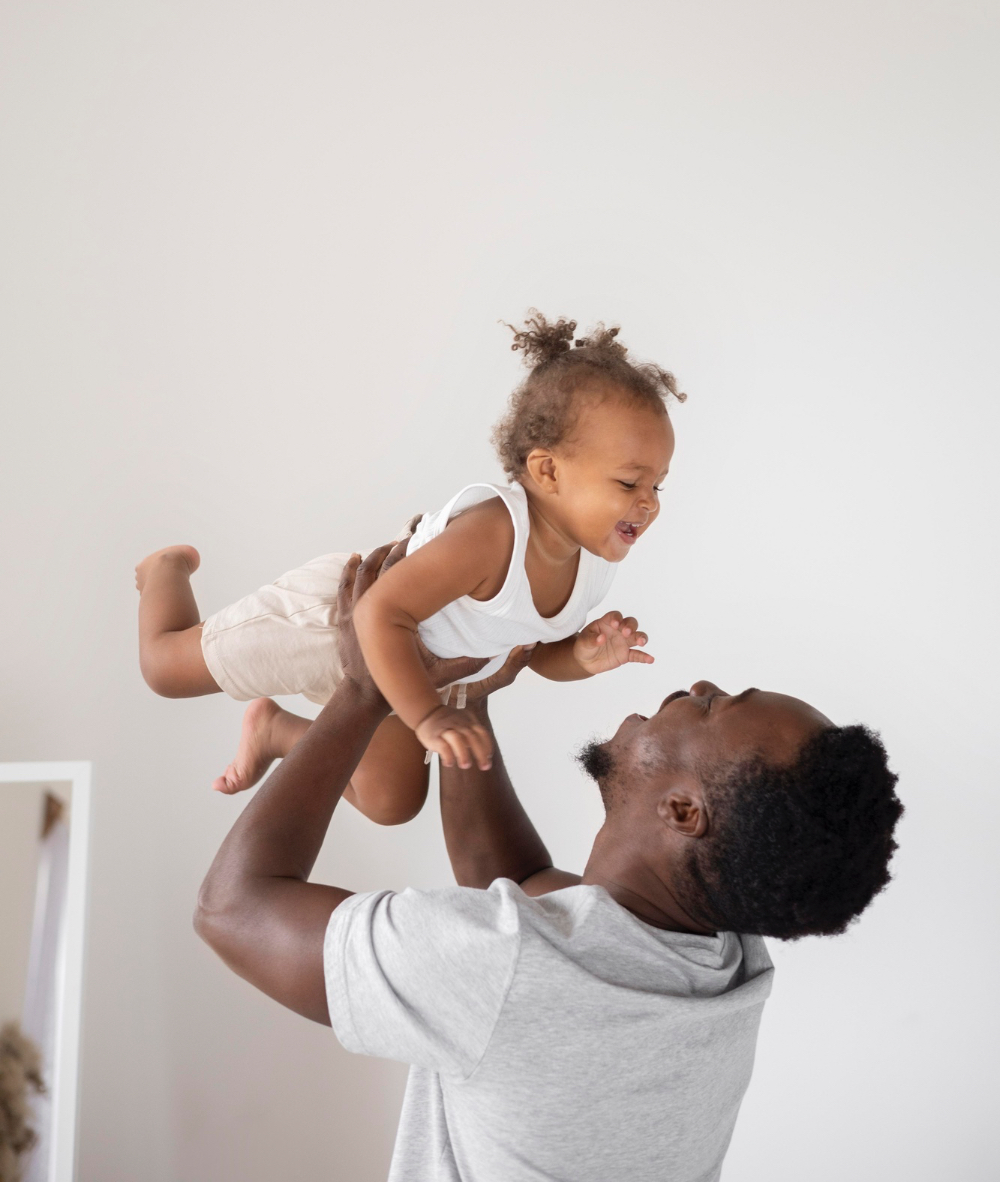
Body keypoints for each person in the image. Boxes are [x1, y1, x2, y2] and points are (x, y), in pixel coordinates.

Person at [195, 543, 903, 1182]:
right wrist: (460, 694)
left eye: (714, 708)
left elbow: (232, 910)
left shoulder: (508, 971)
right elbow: (525, 895)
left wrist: (362, 690)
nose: (697, 688)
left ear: (685, 814)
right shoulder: (727, 968)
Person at [135, 313, 684, 822]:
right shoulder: (494, 532)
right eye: (629, 483)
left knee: (391, 801)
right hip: (338, 626)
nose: (650, 503)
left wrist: (582, 656)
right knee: (165, 670)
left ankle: (275, 730)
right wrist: (426, 716)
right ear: (548, 472)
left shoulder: (592, 562)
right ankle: (165, 569)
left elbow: (534, 654)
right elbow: (380, 612)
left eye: (657, 485)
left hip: (412, 672)